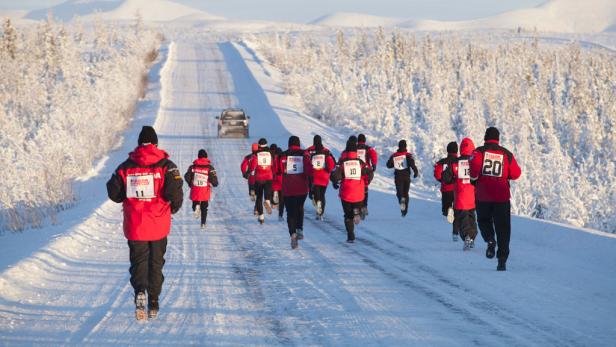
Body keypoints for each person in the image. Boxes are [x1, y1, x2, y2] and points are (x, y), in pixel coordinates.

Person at [106, 126, 183, 321]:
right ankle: (154, 301)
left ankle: (140, 291)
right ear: (156, 143)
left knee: (138, 261)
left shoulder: (125, 166)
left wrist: (127, 197)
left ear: (139, 143)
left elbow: (113, 193)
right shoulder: (167, 165)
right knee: (156, 263)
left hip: (135, 225)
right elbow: (175, 192)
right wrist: (172, 208)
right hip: (158, 224)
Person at [470, 127, 522, 271]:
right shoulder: (506, 154)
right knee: (503, 228)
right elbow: (516, 173)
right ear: (498, 139)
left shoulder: (478, 152)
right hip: (502, 197)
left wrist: (475, 178)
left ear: (485, 138)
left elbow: (473, 169)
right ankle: (502, 260)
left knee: (483, 220)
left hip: (483, 196)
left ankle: (490, 239)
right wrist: (506, 175)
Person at [331, 141, 374, 243]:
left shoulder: (342, 162)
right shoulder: (360, 162)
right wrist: (366, 181)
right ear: (356, 151)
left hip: (346, 192)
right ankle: (357, 212)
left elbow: (334, 175)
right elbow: (370, 172)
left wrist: (335, 182)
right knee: (356, 206)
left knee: (347, 215)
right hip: (359, 192)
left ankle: (350, 236)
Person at [442, 138, 478, 251]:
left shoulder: (455, 163)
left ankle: (467, 237)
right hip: (473, 197)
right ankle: (471, 237)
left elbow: (445, 178)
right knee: (472, 219)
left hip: (460, 197)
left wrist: (453, 178)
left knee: (463, 220)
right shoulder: (476, 161)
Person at [278, 135, 311, 249]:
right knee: (300, 207)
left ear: (289, 144)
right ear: (299, 143)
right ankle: (299, 229)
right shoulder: (305, 154)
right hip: (302, 188)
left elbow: (279, 170)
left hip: (288, 189)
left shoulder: (283, 154)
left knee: (290, 212)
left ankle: (293, 234)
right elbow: (308, 170)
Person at [184, 149, 218, 230]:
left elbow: (187, 176)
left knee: (195, 203)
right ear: (206, 157)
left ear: (198, 157)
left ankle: (196, 206)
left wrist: (190, 183)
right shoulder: (209, 168)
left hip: (195, 188)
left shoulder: (192, 167)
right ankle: (203, 223)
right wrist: (215, 183)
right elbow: (214, 181)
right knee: (204, 207)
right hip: (205, 190)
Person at [386, 140, 418, 217]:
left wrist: (394, 163)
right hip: (406, 177)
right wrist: (415, 172)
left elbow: (388, 165)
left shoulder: (394, 155)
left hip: (398, 177)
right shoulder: (408, 155)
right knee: (406, 193)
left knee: (399, 193)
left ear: (399, 146)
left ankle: (401, 201)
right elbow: (412, 164)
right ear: (405, 146)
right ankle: (405, 209)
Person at [307, 135, 336, 220]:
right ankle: (321, 213)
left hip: (313, 176)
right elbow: (333, 162)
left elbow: (305, 160)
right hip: (324, 177)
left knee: (315, 193)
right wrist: (328, 170)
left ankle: (317, 202)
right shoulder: (326, 151)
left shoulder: (309, 150)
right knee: (322, 194)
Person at [434, 142, 458, 240]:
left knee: (445, 208)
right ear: (457, 150)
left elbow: (437, 174)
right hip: (457, 189)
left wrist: (442, 180)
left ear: (447, 150)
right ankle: (455, 214)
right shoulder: (459, 161)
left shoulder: (442, 162)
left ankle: (448, 211)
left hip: (446, 189)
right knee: (457, 207)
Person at [249, 138, 277, 224]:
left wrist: (251, 175)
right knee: (267, 193)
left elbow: (253, 167)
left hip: (259, 178)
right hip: (268, 177)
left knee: (259, 197)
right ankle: (268, 201)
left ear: (259, 145)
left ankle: (261, 217)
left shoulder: (256, 154)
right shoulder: (270, 154)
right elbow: (273, 165)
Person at [357, 134, 378, 218]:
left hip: (356, 171)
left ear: (358, 140)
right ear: (364, 140)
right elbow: (373, 154)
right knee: (365, 189)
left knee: (357, 189)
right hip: (366, 171)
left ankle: (358, 207)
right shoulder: (368, 148)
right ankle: (364, 207)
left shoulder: (354, 148)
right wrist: (374, 164)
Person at [270, 144, 285, 221]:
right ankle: (280, 215)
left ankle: (273, 200)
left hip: (274, 178)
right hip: (281, 180)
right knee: (282, 199)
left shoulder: (272, 158)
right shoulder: (283, 159)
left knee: (272, 190)